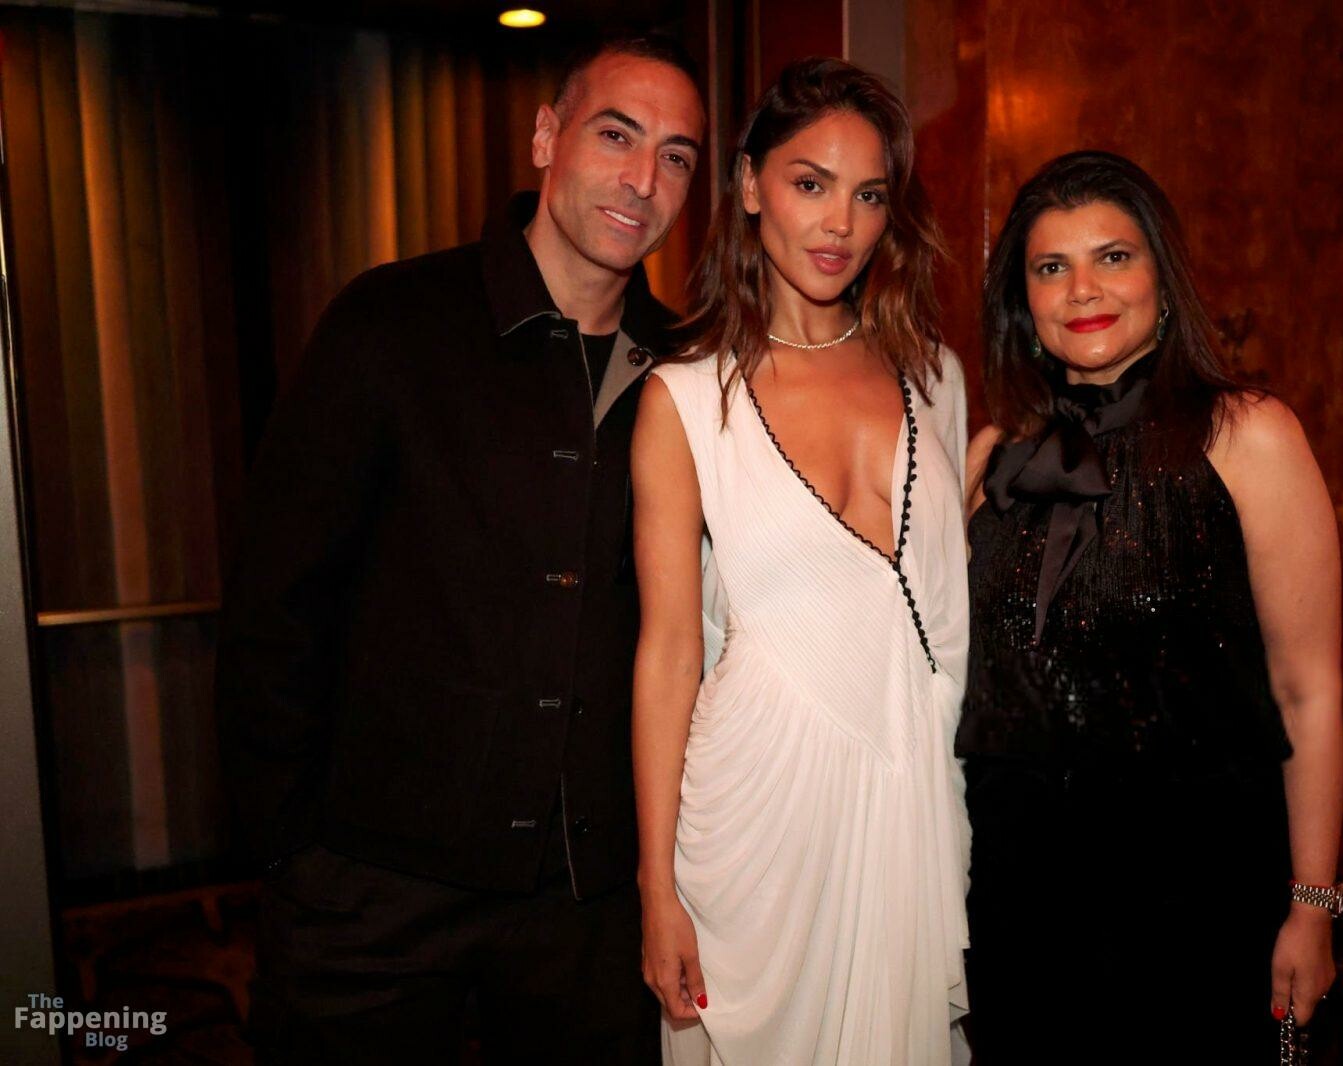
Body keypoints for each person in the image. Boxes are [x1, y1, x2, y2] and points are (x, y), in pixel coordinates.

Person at [215, 34, 705, 1065]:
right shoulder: (389, 324)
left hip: (585, 912)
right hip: (373, 894)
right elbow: (276, 601)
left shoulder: (687, 373)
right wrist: (291, 851)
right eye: (616, 135)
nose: (642, 179)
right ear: (546, 136)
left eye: (675, 156)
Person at [959, 151, 1343, 1061]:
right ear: (1023, 301)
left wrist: (1313, 905)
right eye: (1051, 267)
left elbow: (1309, 691)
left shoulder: (1248, 434)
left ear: (1162, 281)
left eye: (1113, 257)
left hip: (1196, 901)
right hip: (1016, 901)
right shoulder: (991, 457)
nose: (1082, 289)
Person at [630, 57, 972, 1066]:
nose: (840, 224)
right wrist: (656, 887)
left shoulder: (936, 379)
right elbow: (667, 657)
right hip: (755, 825)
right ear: (748, 185)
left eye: (869, 195)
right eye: (809, 183)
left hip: (911, 802)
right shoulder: (684, 400)